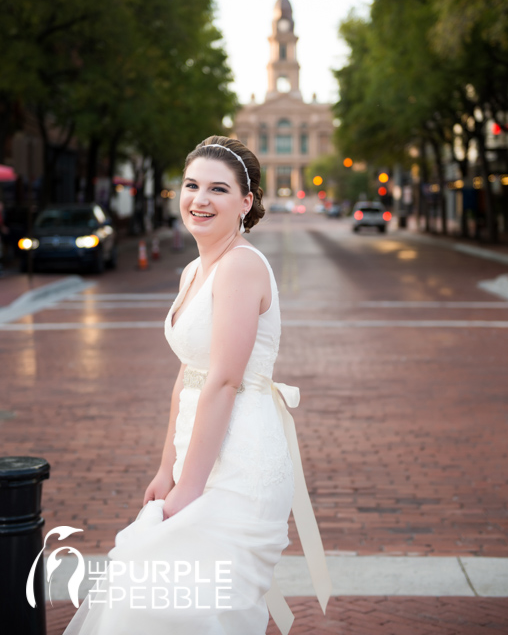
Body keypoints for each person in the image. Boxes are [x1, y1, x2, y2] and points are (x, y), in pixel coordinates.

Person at [64, 135, 330, 635]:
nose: (199, 200)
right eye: (191, 185)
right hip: (199, 446)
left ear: (246, 203)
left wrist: (189, 488)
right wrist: (168, 468)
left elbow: (226, 380)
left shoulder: (241, 265)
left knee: (192, 604)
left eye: (218, 189)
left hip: (240, 456)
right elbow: (190, 373)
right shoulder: (194, 269)